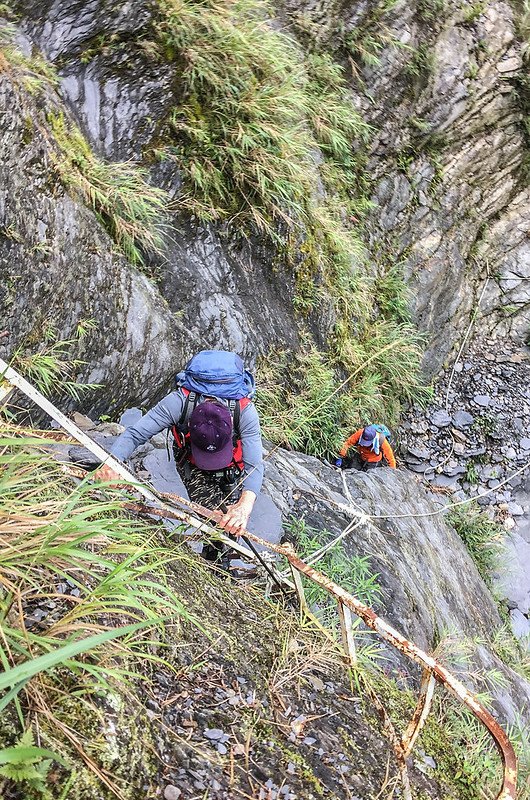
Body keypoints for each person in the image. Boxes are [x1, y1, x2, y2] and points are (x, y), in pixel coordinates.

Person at [94, 351, 263, 565]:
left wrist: (244, 506)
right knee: (212, 516)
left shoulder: (245, 412)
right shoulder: (178, 403)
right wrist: (112, 463)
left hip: (233, 465)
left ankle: (221, 555)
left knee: (234, 514)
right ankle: (214, 563)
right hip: (192, 461)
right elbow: (136, 433)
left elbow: (254, 463)